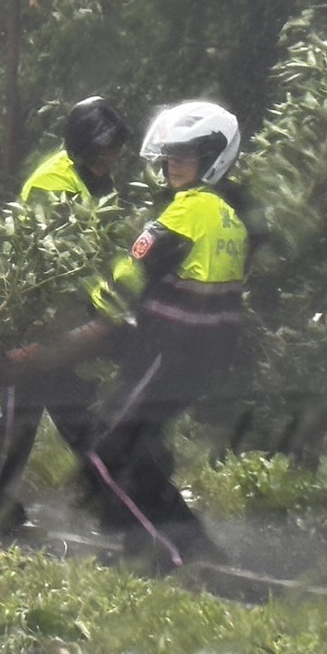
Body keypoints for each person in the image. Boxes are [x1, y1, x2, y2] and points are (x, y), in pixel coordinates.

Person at [81, 99, 250, 570]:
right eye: (170, 156)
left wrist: (87, 304)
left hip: (168, 352)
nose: (172, 166)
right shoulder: (229, 218)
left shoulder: (185, 213)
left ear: (211, 157)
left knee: (108, 447)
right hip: (204, 358)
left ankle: (169, 553)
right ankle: (186, 545)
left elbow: (129, 274)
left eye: (184, 157)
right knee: (144, 449)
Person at [0, 95, 129, 536]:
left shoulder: (99, 183)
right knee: (20, 421)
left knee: (79, 418)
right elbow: (63, 261)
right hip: (35, 324)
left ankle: (113, 501)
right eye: (103, 150)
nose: (111, 158)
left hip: (71, 328)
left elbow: (106, 252)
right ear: (81, 147)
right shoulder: (52, 184)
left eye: (115, 150)